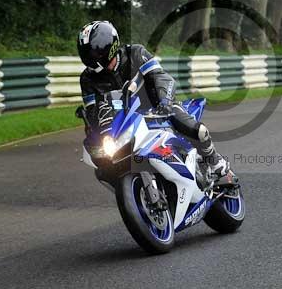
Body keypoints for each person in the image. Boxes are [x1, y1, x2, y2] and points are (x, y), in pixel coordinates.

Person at [77, 20, 237, 186]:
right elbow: (92, 111)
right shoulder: (87, 79)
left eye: (93, 53)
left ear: (107, 47)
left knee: (194, 128)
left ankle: (216, 162)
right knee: (102, 168)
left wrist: (164, 101)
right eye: (86, 54)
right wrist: (93, 130)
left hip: (156, 107)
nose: (89, 58)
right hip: (123, 123)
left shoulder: (135, 53)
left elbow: (160, 76)